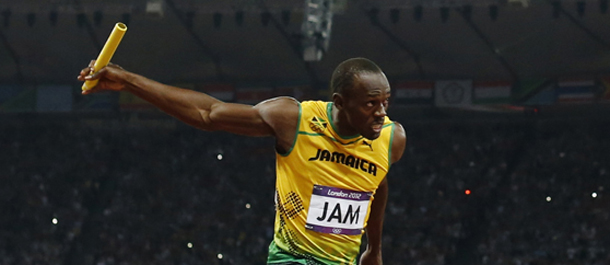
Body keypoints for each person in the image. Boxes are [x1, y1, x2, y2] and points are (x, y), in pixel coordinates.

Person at [77, 57, 406, 265]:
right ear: (340, 103)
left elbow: (376, 184)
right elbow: (209, 113)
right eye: (370, 104)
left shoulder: (393, 139)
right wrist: (130, 81)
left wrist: (373, 248)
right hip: (293, 258)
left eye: (386, 103)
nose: (381, 113)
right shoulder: (295, 119)